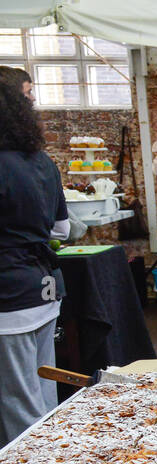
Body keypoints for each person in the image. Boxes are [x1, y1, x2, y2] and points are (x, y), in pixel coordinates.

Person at [0, 73, 69, 444]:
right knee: (44, 393)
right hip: (44, 288)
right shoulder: (41, 160)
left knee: (17, 404)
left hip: (9, 296)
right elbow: (61, 229)